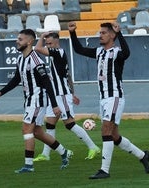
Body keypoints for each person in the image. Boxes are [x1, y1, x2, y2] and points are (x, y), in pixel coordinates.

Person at [68, 21, 149, 179]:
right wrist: (72, 33)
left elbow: (127, 53)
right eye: (99, 33)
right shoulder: (99, 51)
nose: (100, 35)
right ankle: (142, 155)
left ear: (112, 35)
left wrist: (120, 33)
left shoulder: (117, 52)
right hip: (104, 99)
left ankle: (104, 170)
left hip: (114, 97)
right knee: (113, 136)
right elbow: (79, 49)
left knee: (105, 130)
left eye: (104, 33)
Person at [0, 29, 72, 173]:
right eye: (18, 38)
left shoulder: (36, 59)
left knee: (26, 129)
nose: (17, 41)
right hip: (30, 99)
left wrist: (54, 105)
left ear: (29, 42)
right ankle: (64, 152)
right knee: (37, 132)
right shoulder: (21, 58)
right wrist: (1, 92)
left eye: (20, 39)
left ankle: (28, 166)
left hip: (37, 99)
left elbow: (47, 82)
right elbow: (17, 79)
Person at [33, 32, 100, 162]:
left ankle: (93, 147)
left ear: (57, 42)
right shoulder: (56, 55)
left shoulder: (58, 52)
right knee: (50, 124)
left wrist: (41, 37)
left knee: (69, 124)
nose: (48, 46)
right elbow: (68, 75)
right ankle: (45, 154)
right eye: (47, 44)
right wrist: (73, 93)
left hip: (62, 95)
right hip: (57, 95)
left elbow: (37, 49)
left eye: (50, 43)